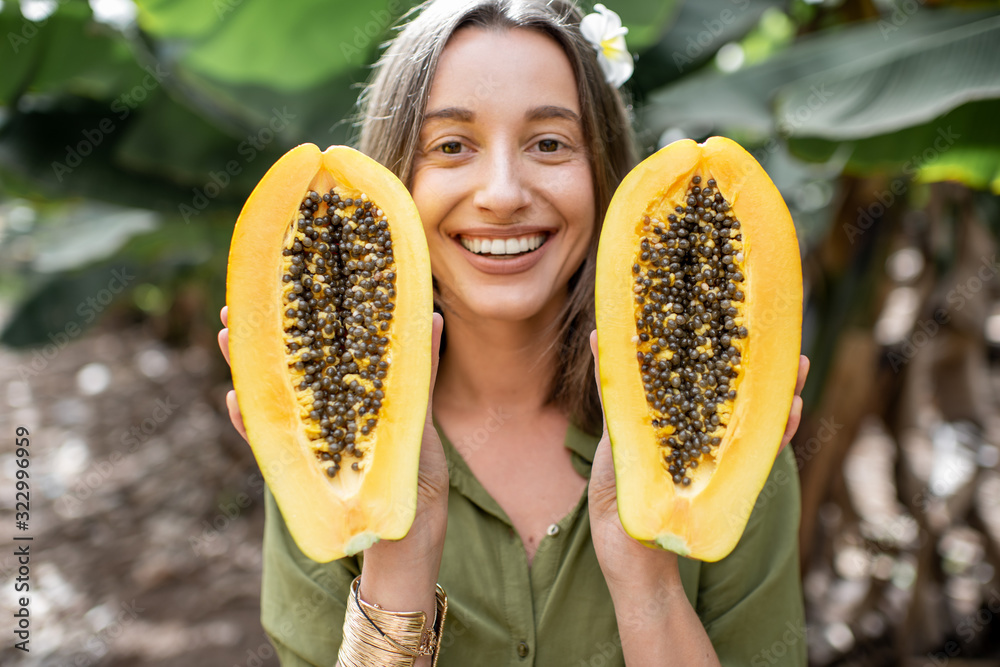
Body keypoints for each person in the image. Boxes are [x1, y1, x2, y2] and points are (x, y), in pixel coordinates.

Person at [217, 0, 811, 664]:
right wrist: (398, 555)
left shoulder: (733, 440)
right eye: (451, 146)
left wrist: (644, 566)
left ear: (603, 171)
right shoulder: (321, 446)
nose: (502, 193)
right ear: (392, 182)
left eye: (549, 143)